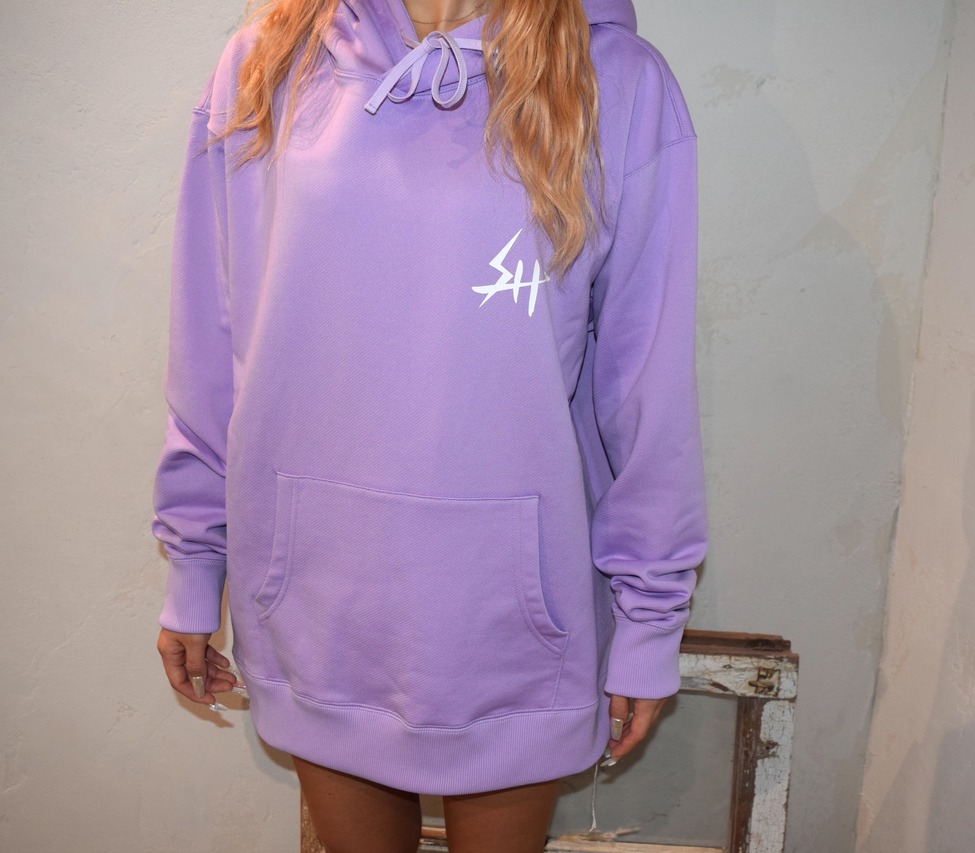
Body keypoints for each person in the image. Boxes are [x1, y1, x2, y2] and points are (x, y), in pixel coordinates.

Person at [150, 0, 707, 849]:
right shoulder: (267, 66)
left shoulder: (616, 83)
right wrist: (195, 562)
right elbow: (213, 336)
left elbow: (645, 381)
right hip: (320, 598)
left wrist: (650, 616)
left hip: (510, 616)